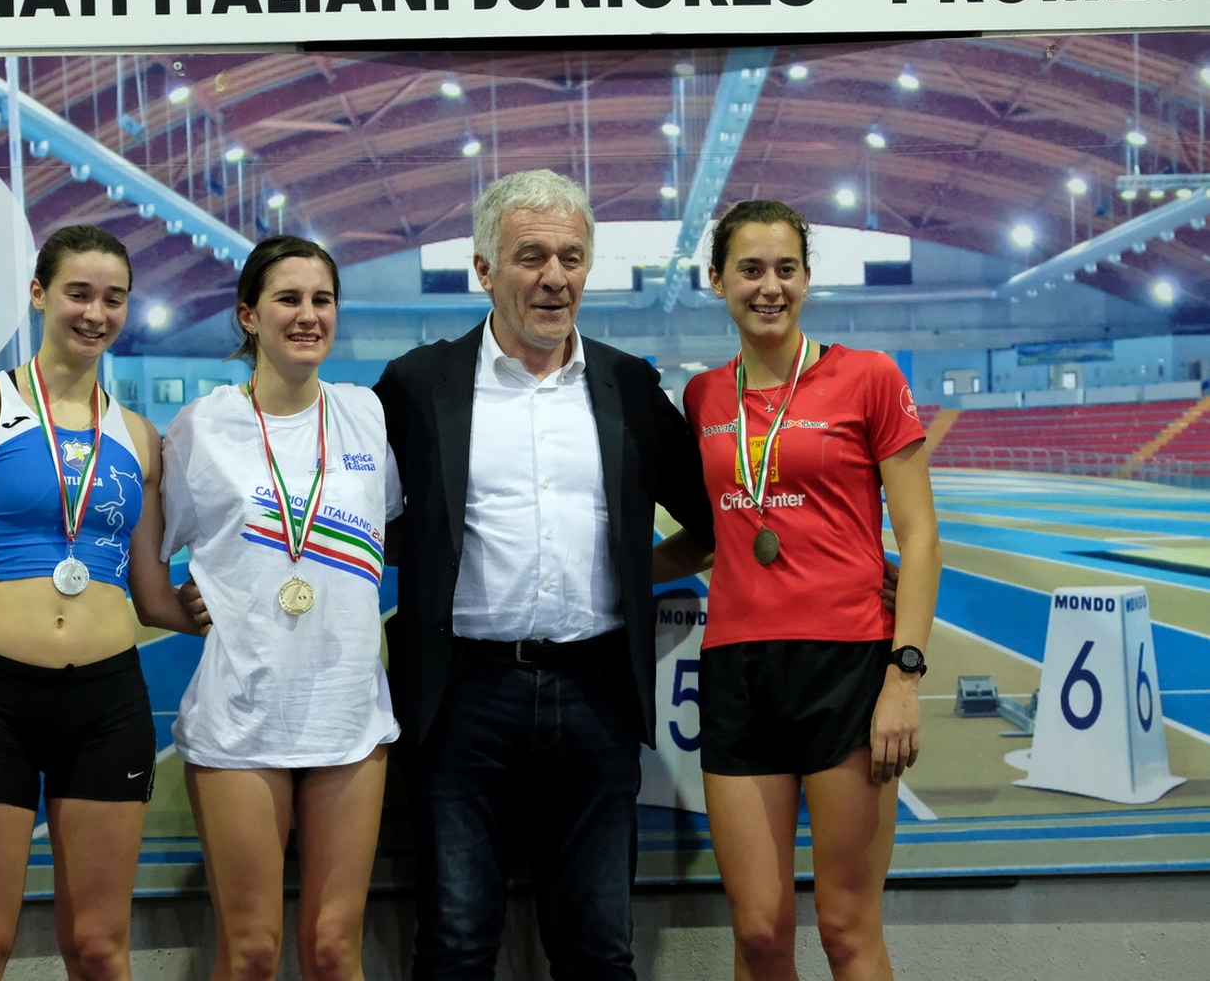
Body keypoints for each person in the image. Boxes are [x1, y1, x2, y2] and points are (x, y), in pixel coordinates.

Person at [372, 169, 717, 981]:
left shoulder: (628, 385)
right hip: (461, 695)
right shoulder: (418, 385)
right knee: (455, 948)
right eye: (531, 256)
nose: (555, 277)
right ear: (484, 270)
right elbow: (362, 521)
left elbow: (711, 524)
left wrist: (631, 574)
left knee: (598, 952)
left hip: (596, 692)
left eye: (571, 257)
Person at [0, 224, 199, 981]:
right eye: (78, 294)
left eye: (114, 299)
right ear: (39, 294)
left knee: (100, 949)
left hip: (107, 705)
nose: (95, 313)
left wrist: (247, 605)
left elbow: (152, 594)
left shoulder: (139, 437)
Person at [680, 199, 940, 981]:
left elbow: (920, 537)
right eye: (750, 270)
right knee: (759, 932)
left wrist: (904, 677)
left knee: (845, 928)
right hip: (737, 671)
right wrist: (613, 570)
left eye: (786, 269)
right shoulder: (704, 397)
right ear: (717, 279)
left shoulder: (869, 377)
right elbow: (714, 533)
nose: (770, 287)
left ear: (806, 278)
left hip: (847, 669)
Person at [161, 235, 402, 981]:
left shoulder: (366, 415)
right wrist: (183, 604)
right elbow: (141, 547)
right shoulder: (200, 427)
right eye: (288, 299)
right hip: (242, 714)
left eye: (322, 300)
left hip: (348, 715)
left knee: (333, 948)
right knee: (252, 951)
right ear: (248, 315)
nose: (308, 315)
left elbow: (391, 531)